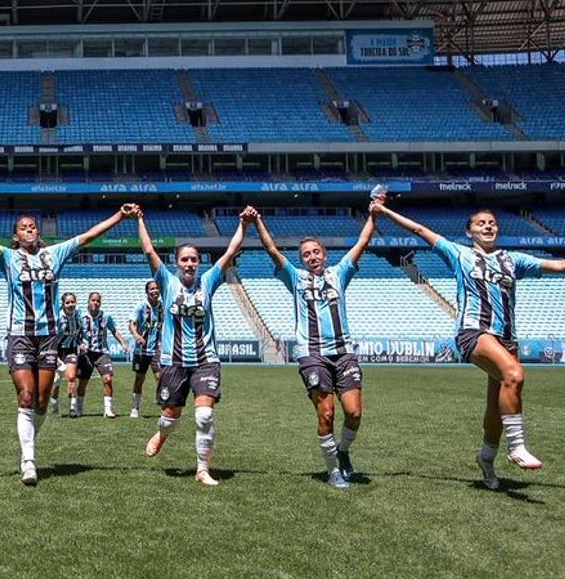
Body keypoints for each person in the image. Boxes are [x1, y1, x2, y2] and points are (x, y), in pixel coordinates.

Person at [374, 202, 565, 488]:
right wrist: (385, 212)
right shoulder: (460, 254)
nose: (488, 226)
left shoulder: (513, 260)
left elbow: (559, 265)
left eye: (492, 223)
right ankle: (516, 447)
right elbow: (419, 229)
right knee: (514, 375)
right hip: (473, 332)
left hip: (506, 340)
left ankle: (486, 459)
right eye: (481, 223)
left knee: (495, 409)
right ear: (469, 231)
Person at [0, 194, 137, 485]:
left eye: (33, 226)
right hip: (20, 335)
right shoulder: (7, 257)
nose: (30, 229)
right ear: (15, 235)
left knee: (42, 402)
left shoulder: (55, 254)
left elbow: (89, 236)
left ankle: (28, 444)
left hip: (48, 338)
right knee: (26, 396)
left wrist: (119, 215)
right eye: (24, 227)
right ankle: (28, 460)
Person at [254, 201, 381, 488]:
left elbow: (362, 241)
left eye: (315, 252)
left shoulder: (340, 273)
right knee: (326, 413)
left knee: (354, 412)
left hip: (344, 352)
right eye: (306, 254)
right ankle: (333, 469)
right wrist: (258, 221)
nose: (311, 257)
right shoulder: (295, 278)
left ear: (325, 254)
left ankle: (344, 450)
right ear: (301, 260)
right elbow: (272, 250)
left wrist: (373, 215)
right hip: (311, 354)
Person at [139, 207, 249, 487]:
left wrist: (243, 224)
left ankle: (202, 469)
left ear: (199, 262)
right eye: (184, 259)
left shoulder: (209, 280)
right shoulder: (167, 282)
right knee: (170, 417)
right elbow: (150, 252)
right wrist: (139, 219)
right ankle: (162, 435)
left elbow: (230, 251)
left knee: (204, 415)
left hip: (205, 360)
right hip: (173, 362)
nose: (189, 264)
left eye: (194, 260)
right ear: (177, 262)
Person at [75, 291, 130, 419]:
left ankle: (108, 409)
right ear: (88, 301)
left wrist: (123, 343)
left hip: (102, 353)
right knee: (83, 382)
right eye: (93, 300)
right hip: (86, 354)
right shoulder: (81, 317)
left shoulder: (106, 316)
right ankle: (79, 408)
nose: (95, 303)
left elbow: (114, 330)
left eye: (98, 301)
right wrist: (79, 345)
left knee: (108, 379)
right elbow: (76, 334)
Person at [128, 281, 165, 419]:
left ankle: (162, 405)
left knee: (161, 377)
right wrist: (136, 335)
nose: (155, 291)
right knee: (139, 378)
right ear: (147, 291)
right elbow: (131, 324)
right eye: (152, 289)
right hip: (141, 350)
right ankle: (135, 407)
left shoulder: (163, 306)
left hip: (157, 349)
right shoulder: (141, 306)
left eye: (157, 288)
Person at [49, 292, 83, 416]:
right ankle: (54, 408)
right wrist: (55, 356)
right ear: (63, 304)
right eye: (67, 302)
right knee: (56, 381)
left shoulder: (78, 315)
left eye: (72, 302)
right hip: (56, 351)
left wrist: (81, 343)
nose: (70, 305)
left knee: (72, 376)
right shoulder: (57, 317)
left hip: (71, 350)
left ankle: (73, 408)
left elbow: (79, 333)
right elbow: (51, 338)